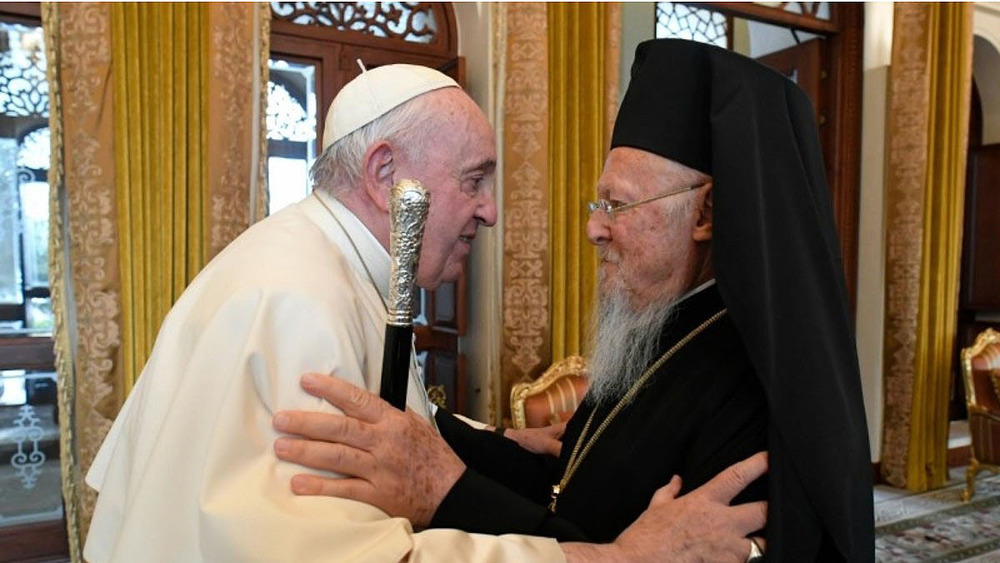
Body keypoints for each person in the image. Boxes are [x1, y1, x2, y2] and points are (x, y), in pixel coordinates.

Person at [83, 62, 766, 562]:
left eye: (617, 205)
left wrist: (486, 443)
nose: (491, 211)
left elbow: (391, 425)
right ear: (385, 176)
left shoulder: (327, 269)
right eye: (474, 179)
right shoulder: (299, 305)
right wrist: (621, 561)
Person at [272, 39, 875, 562]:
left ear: (706, 213)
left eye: (617, 205)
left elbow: (636, 550)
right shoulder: (652, 324)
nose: (594, 228)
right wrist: (436, 433)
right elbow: (568, 484)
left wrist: (446, 487)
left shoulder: (755, 387)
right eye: (598, 204)